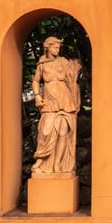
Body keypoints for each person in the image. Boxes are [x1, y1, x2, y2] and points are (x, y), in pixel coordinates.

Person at [31, 36, 81, 175]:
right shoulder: (42, 64)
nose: (57, 50)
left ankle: (58, 163)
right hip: (50, 102)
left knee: (63, 131)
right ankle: (40, 161)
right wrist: (37, 96)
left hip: (64, 100)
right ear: (47, 47)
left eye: (59, 48)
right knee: (45, 131)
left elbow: (72, 80)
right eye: (55, 47)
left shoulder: (63, 62)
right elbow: (35, 81)